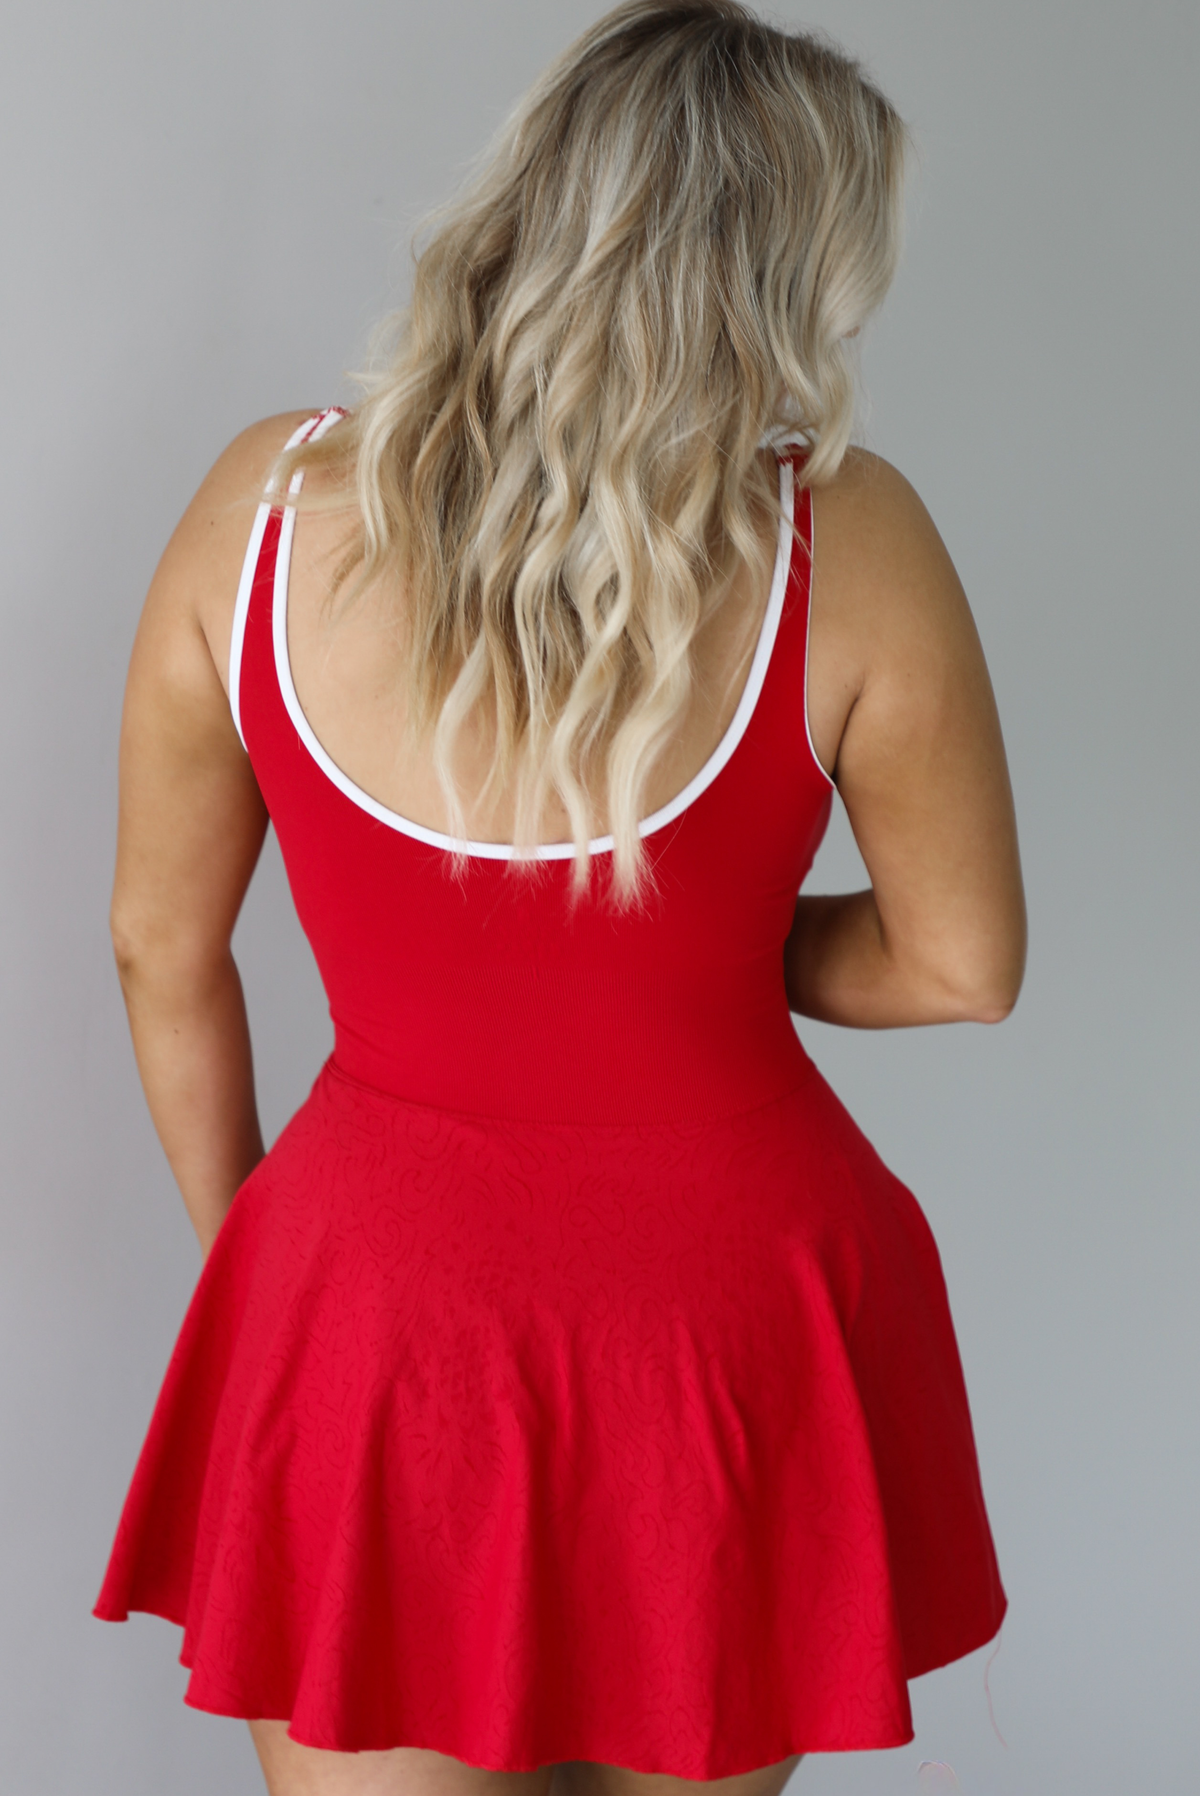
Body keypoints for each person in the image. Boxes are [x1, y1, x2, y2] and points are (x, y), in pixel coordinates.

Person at [93, 5, 1027, 1795]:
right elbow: (961, 963)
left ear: (525, 196)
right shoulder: (854, 537)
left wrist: (261, 1269)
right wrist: (706, 949)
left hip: (375, 1299)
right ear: (787, 277)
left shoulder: (261, 511)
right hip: (732, 1315)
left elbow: (160, 941)